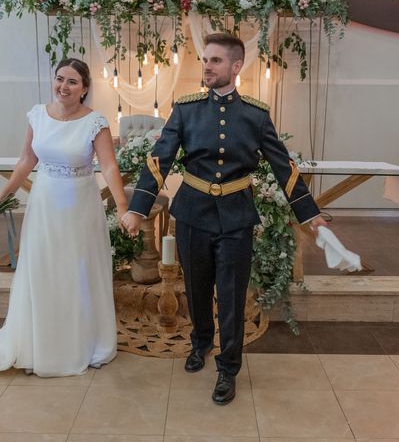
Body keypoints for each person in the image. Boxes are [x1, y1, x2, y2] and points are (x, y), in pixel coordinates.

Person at [122, 33, 327, 405]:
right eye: (205, 60)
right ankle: (200, 343)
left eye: (215, 61)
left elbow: (285, 168)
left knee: (231, 296)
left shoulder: (255, 114)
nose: (207, 67)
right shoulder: (186, 109)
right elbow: (160, 159)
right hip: (191, 214)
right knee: (198, 289)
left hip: (235, 217)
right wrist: (137, 209)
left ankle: (228, 368)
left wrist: (311, 215)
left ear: (235, 67)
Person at [0, 58, 128, 391]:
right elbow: (27, 160)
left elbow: (110, 168)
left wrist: (125, 208)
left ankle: (86, 343)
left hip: (80, 207)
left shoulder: (95, 123)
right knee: (43, 270)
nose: (64, 86)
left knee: (78, 270)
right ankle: (41, 344)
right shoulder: (38, 115)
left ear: (85, 88)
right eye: (59, 79)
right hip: (44, 204)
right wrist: (1, 197)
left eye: (72, 81)